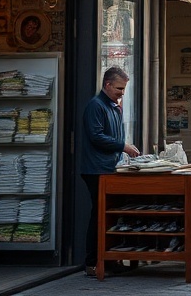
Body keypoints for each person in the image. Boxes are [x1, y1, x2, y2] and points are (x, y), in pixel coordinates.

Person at [81, 67, 140, 277]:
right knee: (100, 215)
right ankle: (93, 262)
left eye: (124, 89)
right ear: (107, 85)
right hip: (97, 169)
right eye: (119, 88)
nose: (122, 92)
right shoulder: (96, 106)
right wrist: (123, 147)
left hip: (109, 167)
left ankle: (110, 258)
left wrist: (122, 150)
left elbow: (112, 136)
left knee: (110, 215)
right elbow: (96, 136)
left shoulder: (114, 105)